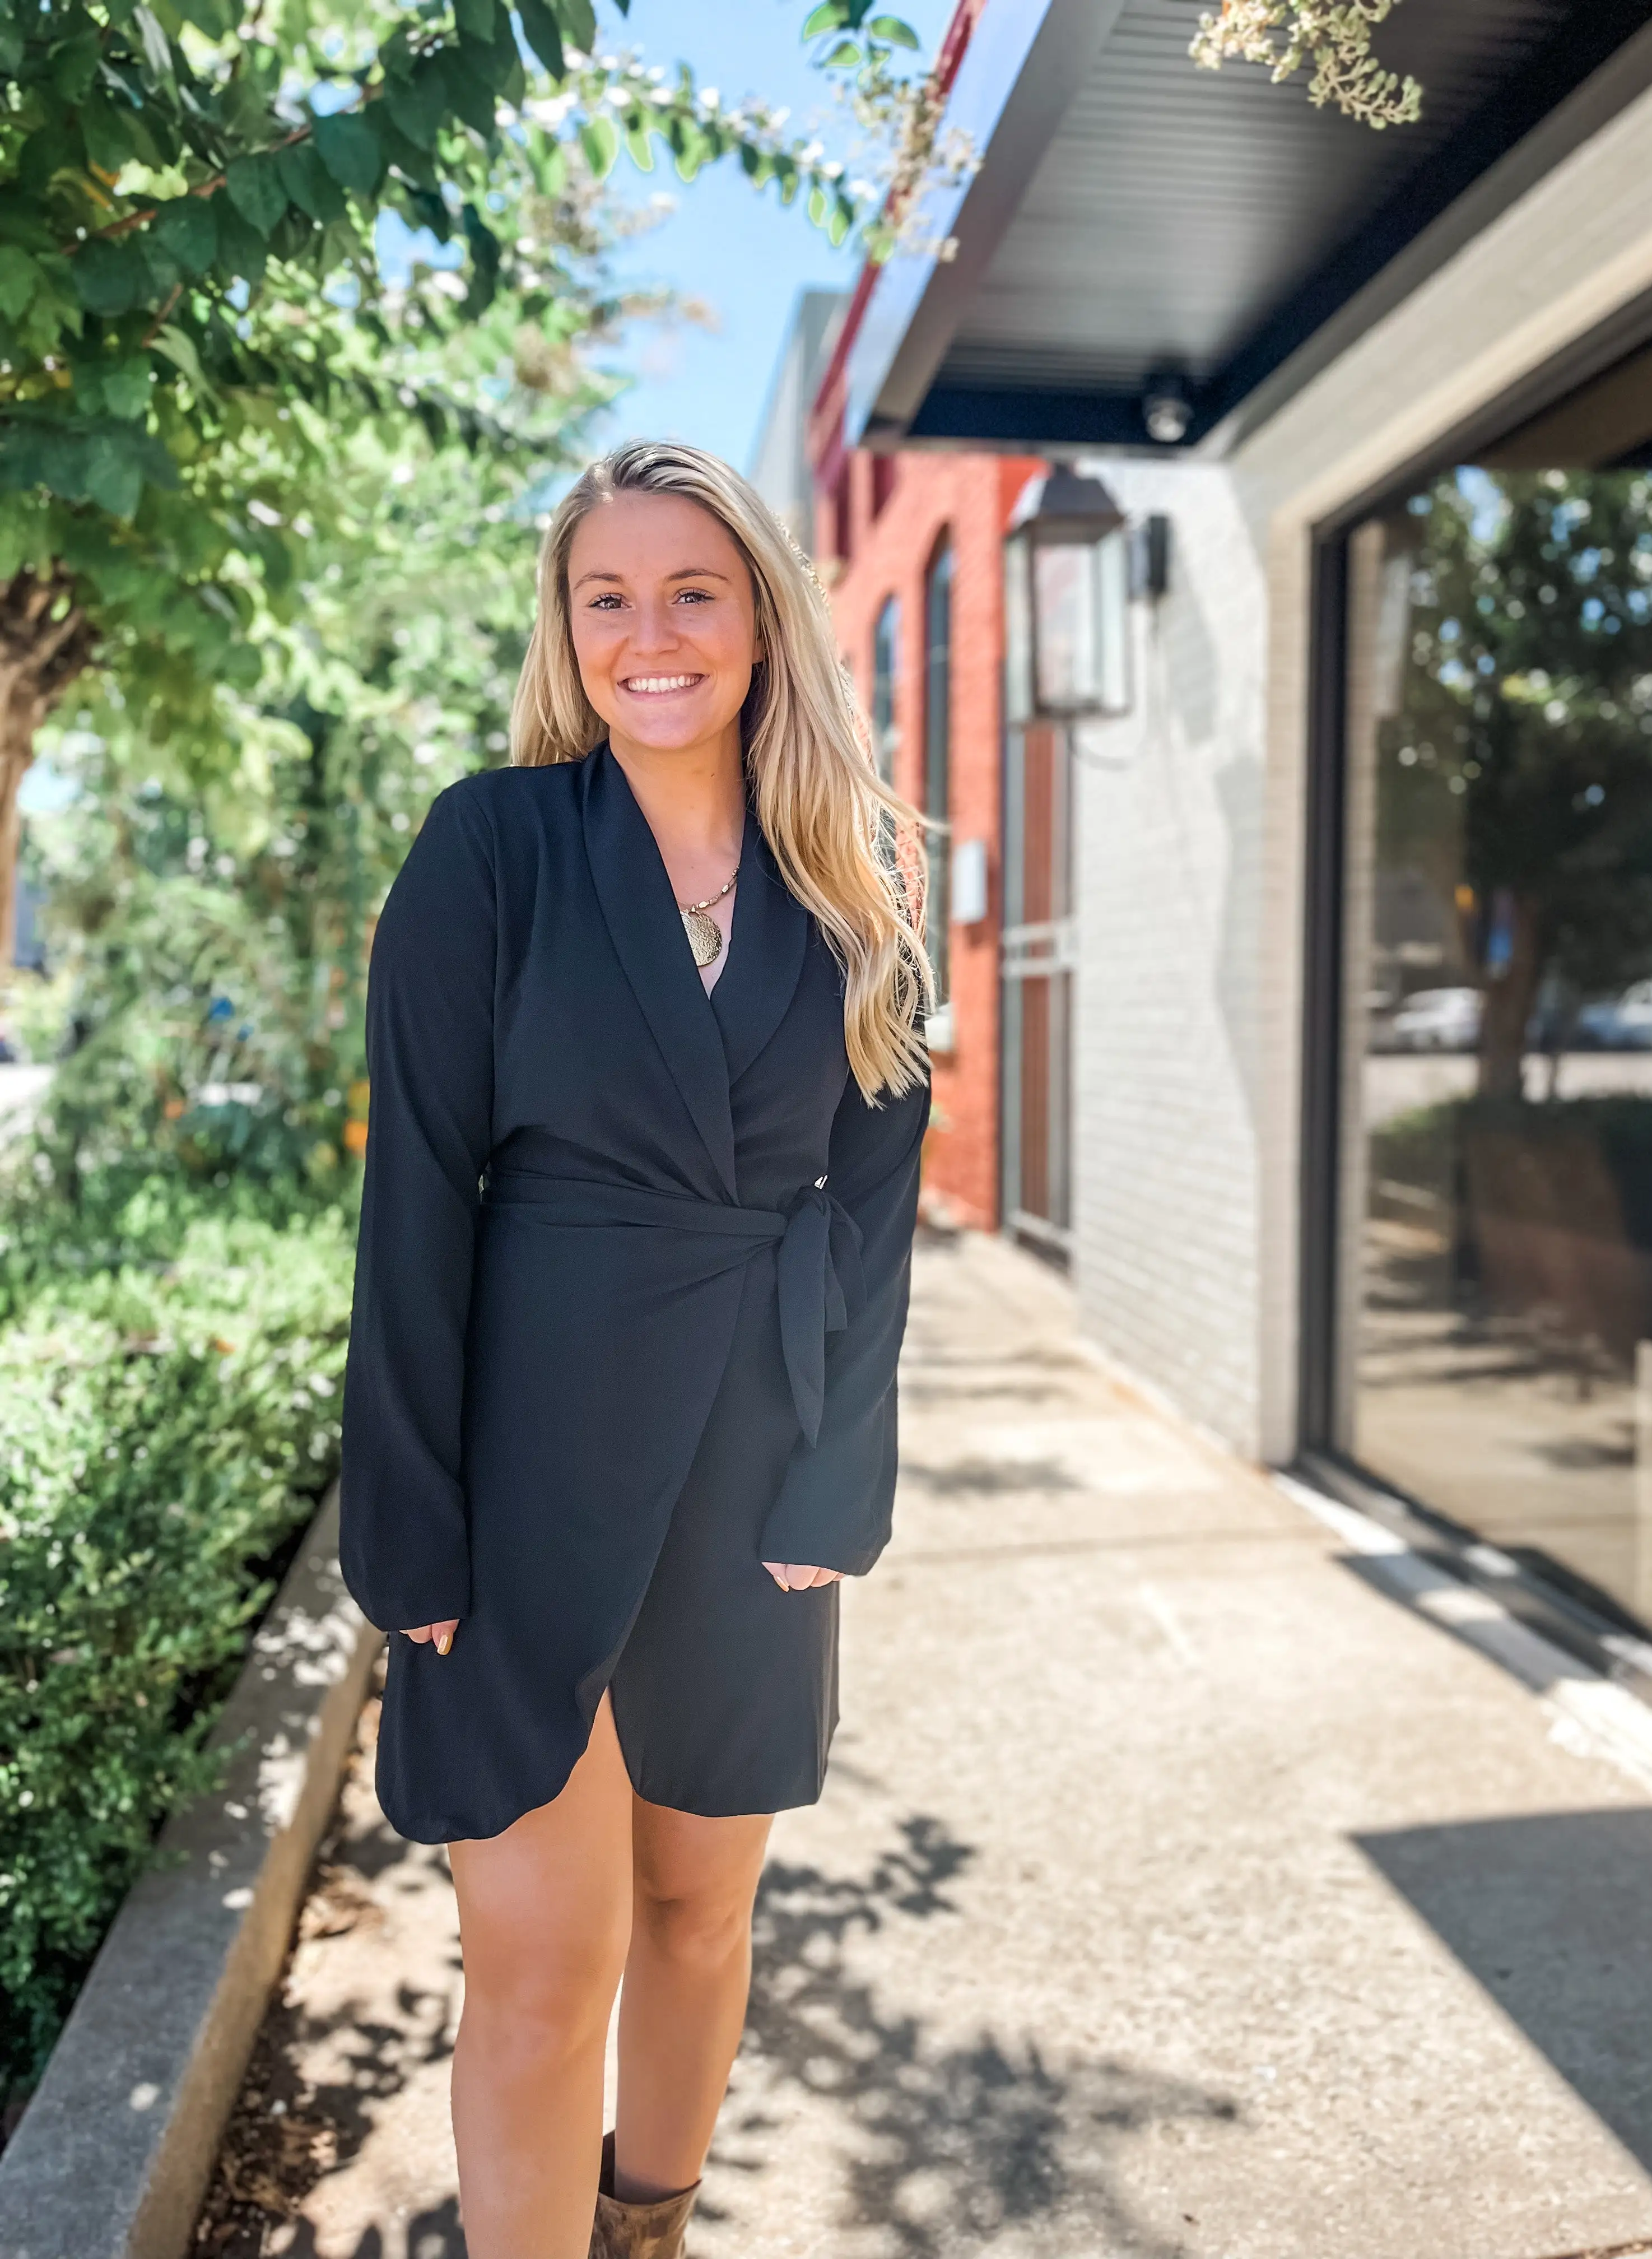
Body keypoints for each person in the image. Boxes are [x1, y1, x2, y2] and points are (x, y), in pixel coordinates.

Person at [338, 439, 932, 2259]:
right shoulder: (493, 849)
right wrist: (409, 1523)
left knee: (697, 1910)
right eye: (609, 596)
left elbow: (876, 1206)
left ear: (760, 615)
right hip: (524, 1461)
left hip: (758, 1458)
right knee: (540, 1959)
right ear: (567, 626)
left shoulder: (857, 868)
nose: (647, 632)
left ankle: (648, 2226)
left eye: (692, 591)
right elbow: (417, 1199)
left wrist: (846, 1475)